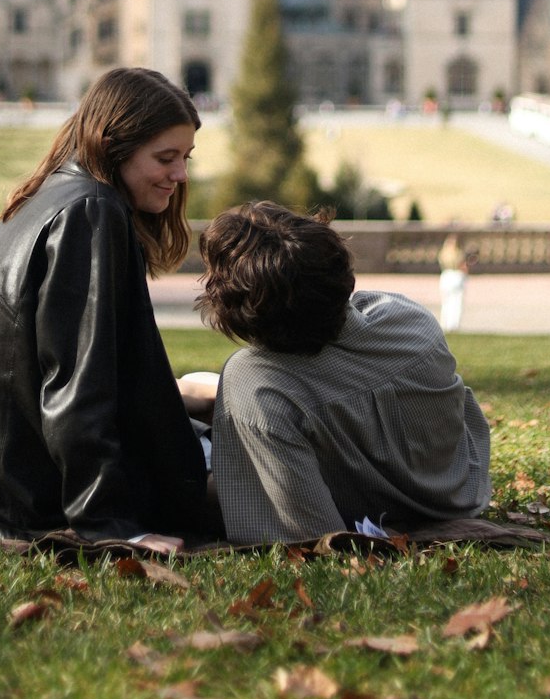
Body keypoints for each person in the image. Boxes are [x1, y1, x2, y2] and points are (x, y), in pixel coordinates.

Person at [0, 68, 210, 553]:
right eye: (165, 158)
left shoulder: (57, 197)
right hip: (17, 494)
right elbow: (77, 384)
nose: (180, 176)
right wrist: (114, 526)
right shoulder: (90, 212)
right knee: (245, 467)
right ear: (113, 145)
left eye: (185, 158)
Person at [196, 202, 491, 545]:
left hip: (365, 512)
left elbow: (305, 527)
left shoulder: (255, 379)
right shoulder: (407, 317)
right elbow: (338, 382)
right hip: (457, 492)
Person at [437, 232, 470, 332]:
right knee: (456, 302)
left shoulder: (443, 253)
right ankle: (453, 325)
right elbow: (463, 266)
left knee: (446, 302)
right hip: (456, 275)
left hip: (445, 275)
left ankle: (445, 323)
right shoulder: (458, 253)